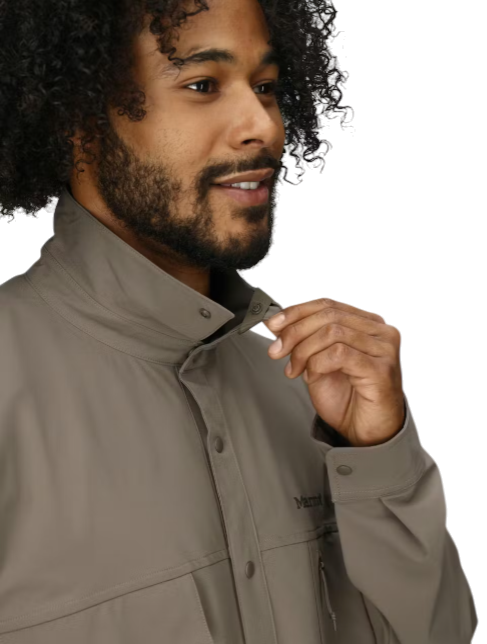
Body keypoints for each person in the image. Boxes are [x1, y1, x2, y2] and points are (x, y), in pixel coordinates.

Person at [0, 1, 476, 642]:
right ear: (77, 121)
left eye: (267, 87)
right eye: (203, 85)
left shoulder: (307, 387)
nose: (263, 126)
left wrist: (379, 458)